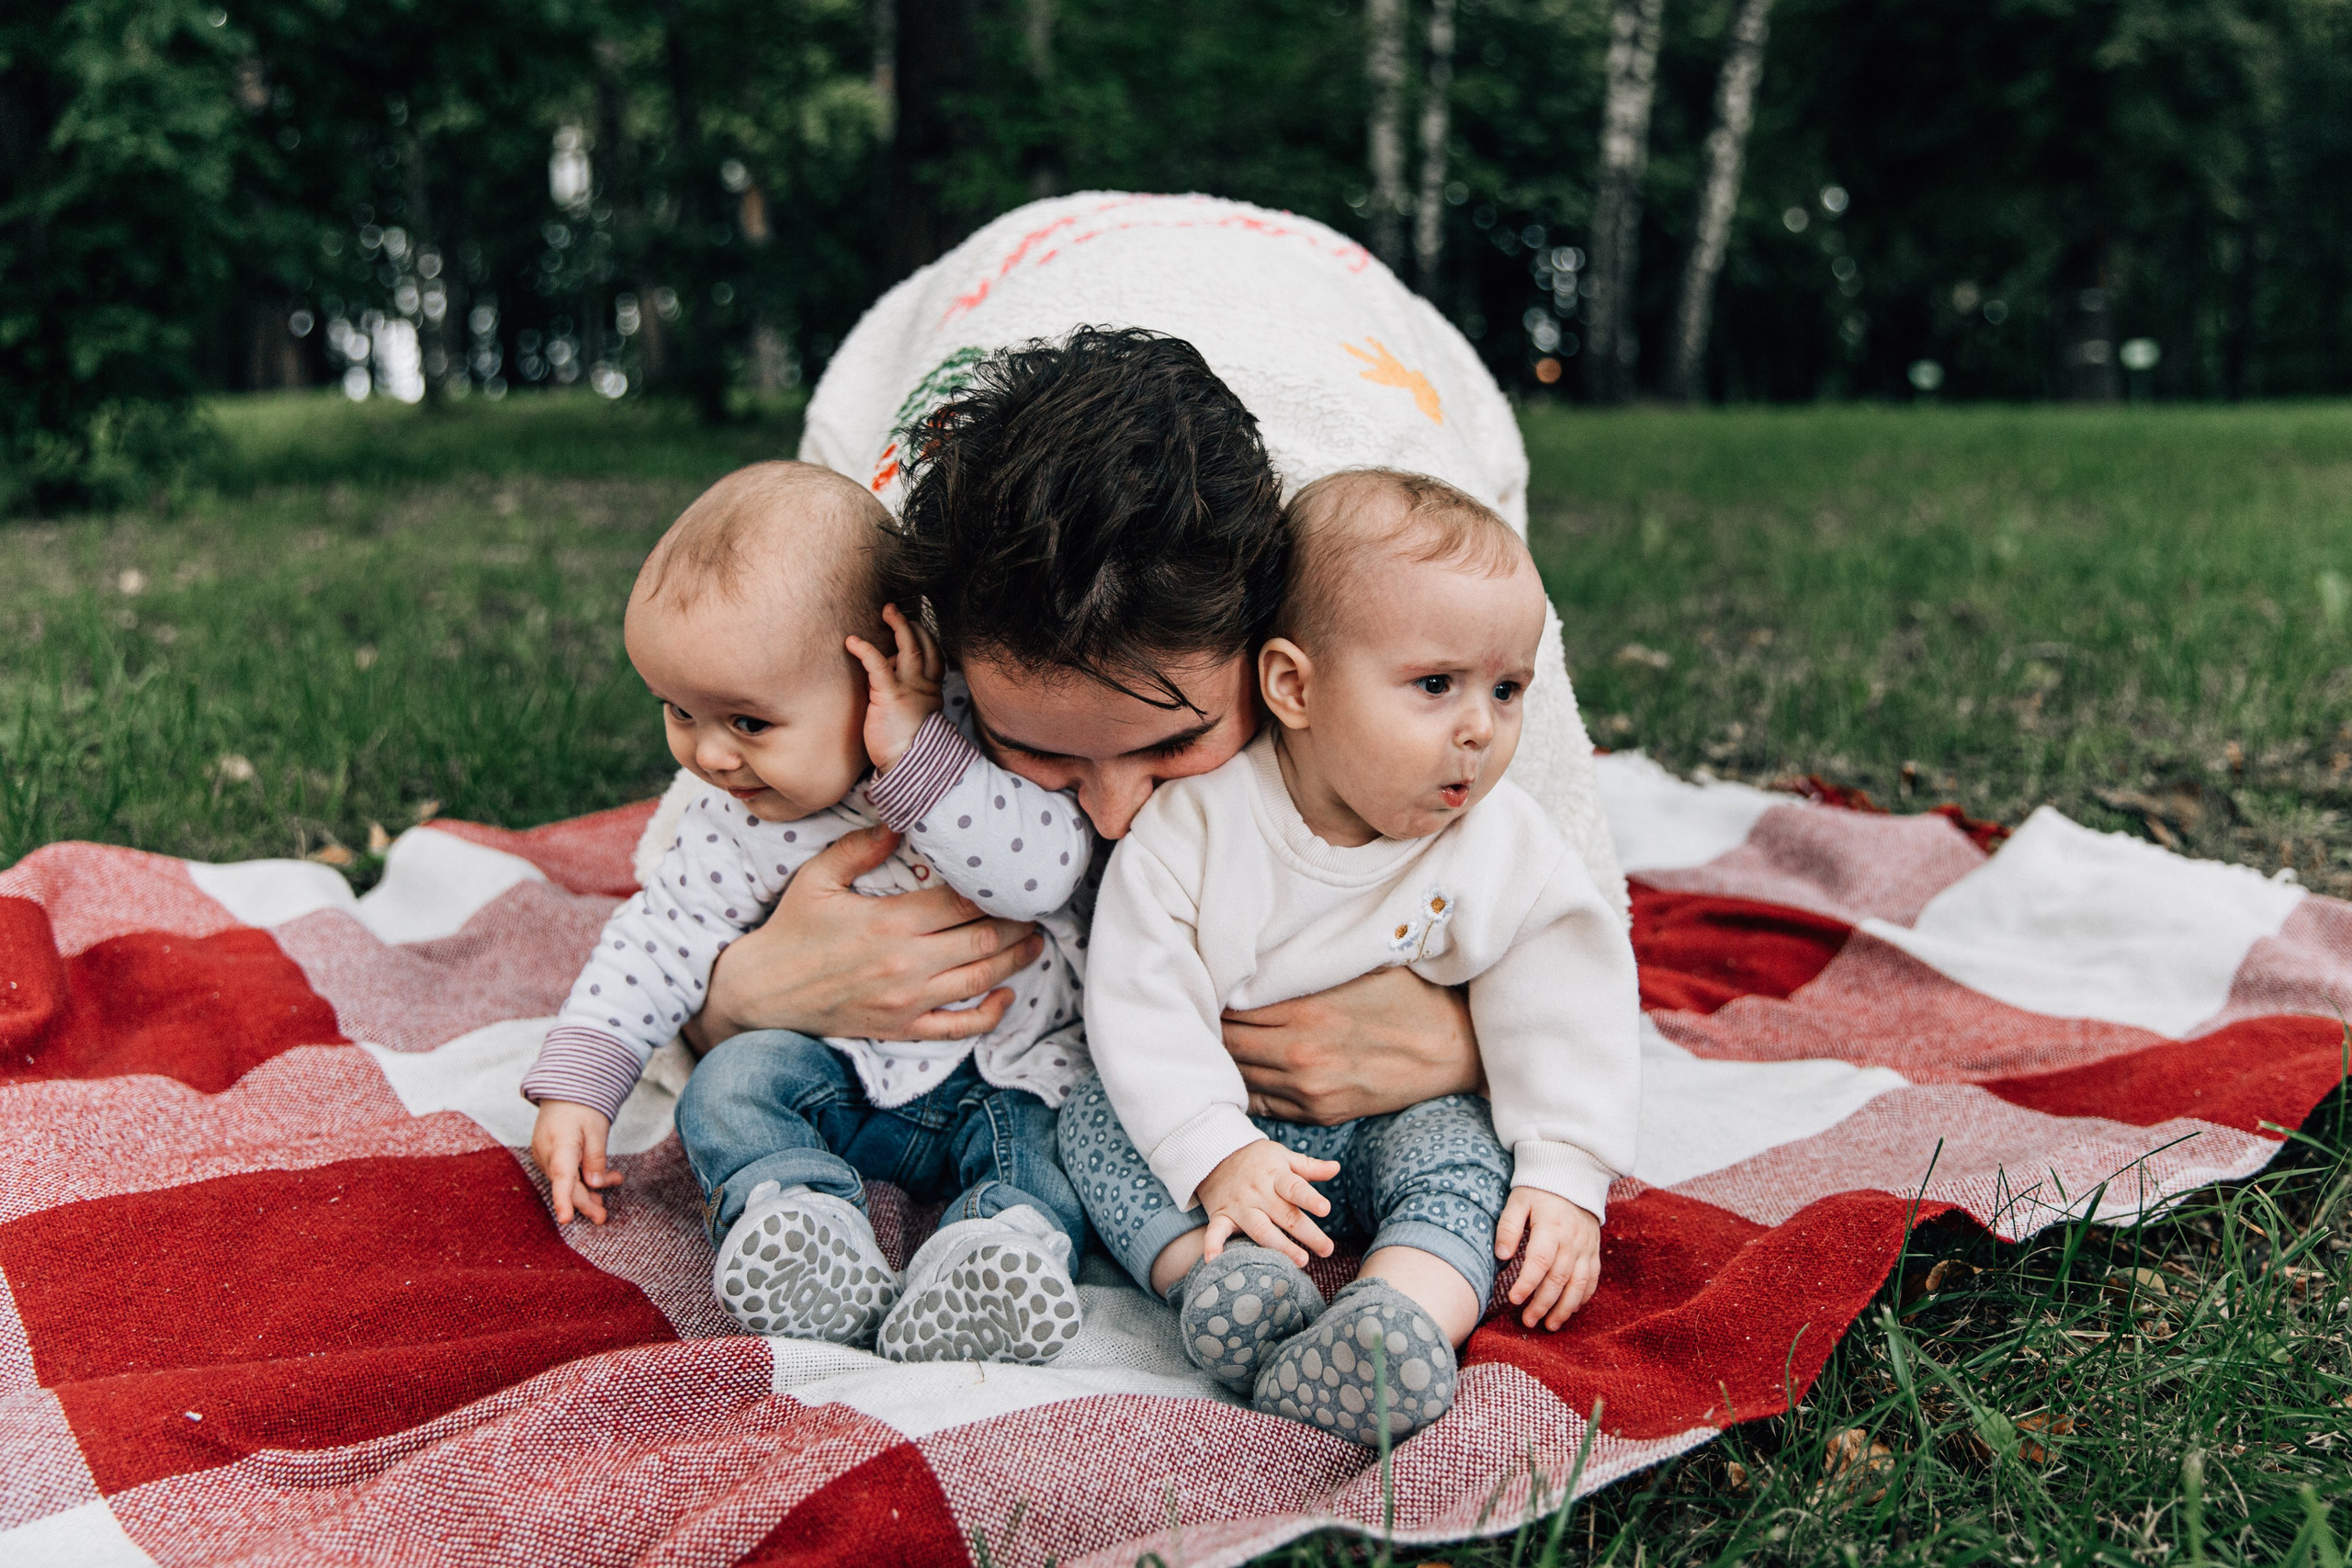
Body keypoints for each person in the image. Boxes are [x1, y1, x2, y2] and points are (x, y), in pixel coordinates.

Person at [1063, 470, 1640, 1444]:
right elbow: (1140, 997)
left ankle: (1398, 1316)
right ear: (1295, 686)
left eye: (1507, 690)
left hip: (1401, 1116)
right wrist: (1216, 1150)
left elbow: (1568, 998)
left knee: (1465, 1163)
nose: (1480, 728)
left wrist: (1565, 1171)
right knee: (1097, 1122)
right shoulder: (1198, 826)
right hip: (1232, 1116)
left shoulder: (1502, 841)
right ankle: (1221, 1284)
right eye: (1435, 685)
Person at [522, 461, 1093, 1364]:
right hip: (840, 1078)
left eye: (747, 723)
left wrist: (915, 756)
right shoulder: (733, 817)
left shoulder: (974, 744)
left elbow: (1043, 874)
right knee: (730, 1084)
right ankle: (799, 1224)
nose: (709, 756)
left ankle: (998, 1253)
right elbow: (659, 937)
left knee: (1064, 1140)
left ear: (881, 670)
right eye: (678, 711)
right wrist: (581, 1083)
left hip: (1010, 1070)